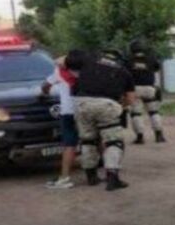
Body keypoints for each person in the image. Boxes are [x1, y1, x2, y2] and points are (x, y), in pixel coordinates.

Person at [67, 48, 136, 192]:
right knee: (113, 141)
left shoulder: (89, 61)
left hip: (82, 103)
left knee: (88, 140)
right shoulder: (124, 71)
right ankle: (112, 178)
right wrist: (119, 106)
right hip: (107, 104)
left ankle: (91, 177)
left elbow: (65, 64)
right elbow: (130, 99)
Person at [42, 51, 83, 190]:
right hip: (86, 109)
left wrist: (44, 93)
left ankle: (65, 178)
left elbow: (45, 86)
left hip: (68, 112)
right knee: (95, 139)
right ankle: (106, 173)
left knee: (69, 144)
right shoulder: (88, 71)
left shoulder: (59, 72)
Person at [127, 40, 166, 144]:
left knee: (136, 114)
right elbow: (157, 67)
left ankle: (140, 137)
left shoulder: (128, 60)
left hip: (134, 89)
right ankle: (159, 135)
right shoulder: (150, 58)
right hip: (149, 88)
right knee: (154, 112)